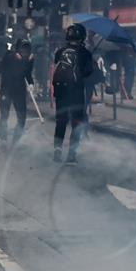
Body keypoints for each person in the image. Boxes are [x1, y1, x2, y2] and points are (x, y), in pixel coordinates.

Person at [51, 24, 93, 165]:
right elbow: (88, 73)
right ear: (82, 36)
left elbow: (55, 65)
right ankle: (72, 155)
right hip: (76, 92)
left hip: (60, 91)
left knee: (61, 122)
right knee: (76, 124)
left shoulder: (60, 51)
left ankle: (57, 150)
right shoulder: (85, 53)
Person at [0, 38, 34, 146]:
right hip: (6, 90)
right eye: (22, 50)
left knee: (22, 118)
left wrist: (31, 84)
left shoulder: (30, 59)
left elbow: (28, 74)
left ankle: (15, 141)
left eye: (26, 50)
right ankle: (3, 139)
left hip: (20, 91)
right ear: (17, 49)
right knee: (4, 115)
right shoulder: (9, 57)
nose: (24, 53)